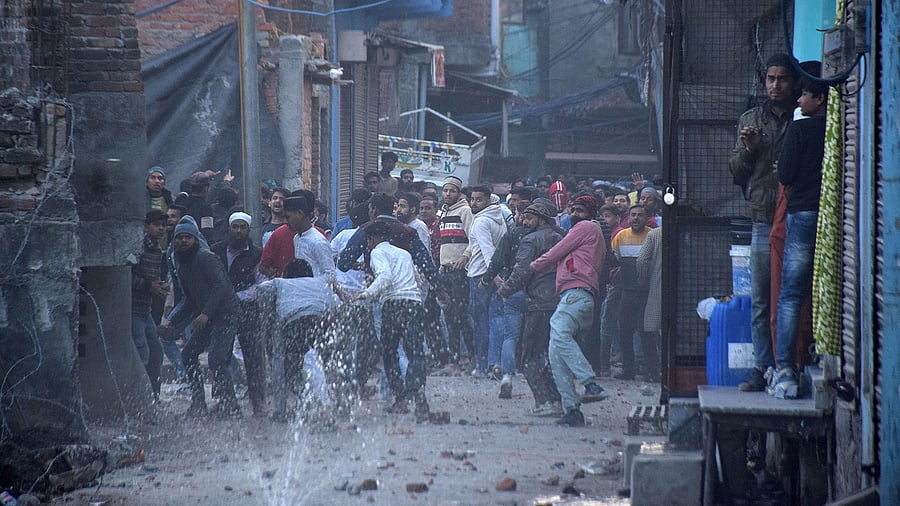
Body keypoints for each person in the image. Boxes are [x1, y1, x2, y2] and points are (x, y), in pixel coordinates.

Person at [729, 53, 800, 392]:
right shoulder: (751, 119)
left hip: (797, 216)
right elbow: (736, 172)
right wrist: (749, 150)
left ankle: (794, 362)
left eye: (782, 79)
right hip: (761, 217)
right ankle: (763, 366)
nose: (775, 85)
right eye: (770, 79)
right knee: (761, 296)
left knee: (793, 293)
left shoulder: (803, 115)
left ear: (793, 81)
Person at [770, 71, 827, 399]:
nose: (799, 100)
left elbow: (787, 174)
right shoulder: (839, 130)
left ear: (818, 99)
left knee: (791, 293)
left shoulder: (800, 129)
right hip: (832, 217)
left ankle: (785, 368)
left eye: (804, 94)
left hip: (802, 214)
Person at [530, 195, 608, 427]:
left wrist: (532, 266)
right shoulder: (590, 234)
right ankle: (572, 410)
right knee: (556, 354)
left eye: (581, 210)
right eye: (572, 209)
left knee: (559, 331)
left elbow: (555, 252)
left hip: (577, 293)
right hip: (576, 296)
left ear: (591, 213)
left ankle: (590, 382)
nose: (575, 213)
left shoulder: (586, 227)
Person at [162, 216, 242, 418]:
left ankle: (229, 405)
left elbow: (221, 286)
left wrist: (205, 314)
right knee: (188, 354)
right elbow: (189, 299)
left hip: (225, 313)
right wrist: (171, 321)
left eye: (187, 237)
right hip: (206, 315)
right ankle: (198, 402)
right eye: (179, 238)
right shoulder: (182, 264)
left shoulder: (205, 257)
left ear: (195, 239)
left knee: (216, 358)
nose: (183, 241)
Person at [354, 220, 430, 421]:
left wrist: (366, 293)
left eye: (368, 240)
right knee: (415, 352)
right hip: (412, 303)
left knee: (389, 353)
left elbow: (385, 277)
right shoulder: (404, 253)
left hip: (393, 305)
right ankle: (418, 391)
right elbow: (418, 278)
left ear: (372, 238)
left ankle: (401, 397)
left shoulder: (377, 253)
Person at [258, 259, 340, 421]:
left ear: (287, 275)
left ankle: (282, 411)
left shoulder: (279, 283)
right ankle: (329, 405)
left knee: (286, 367)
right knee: (322, 365)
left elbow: (262, 289)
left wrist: (268, 316)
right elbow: (334, 303)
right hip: (324, 321)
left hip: (295, 322)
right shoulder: (321, 280)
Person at [495, 198, 559, 405]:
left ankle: (545, 402)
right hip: (558, 299)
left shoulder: (530, 240)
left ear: (541, 219)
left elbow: (521, 271)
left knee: (530, 356)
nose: (524, 222)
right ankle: (557, 400)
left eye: (529, 218)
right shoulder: (562, 237)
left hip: (538, 301)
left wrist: (504, 290)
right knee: (548, 353)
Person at [210, 212, 267, 416]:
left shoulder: (257, 254)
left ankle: (258, 402)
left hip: (248, 311)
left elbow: (261, 284)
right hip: (222, 313)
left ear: (248, 229)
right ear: (229, 228)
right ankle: (226, 400)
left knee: (253, 357)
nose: (239, 231)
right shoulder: (216, 251)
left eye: (243, 227)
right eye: (235, 227)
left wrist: (236, 297)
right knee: (220, 356)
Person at [611, 205, 658, 380]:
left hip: (647, 292)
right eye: (633, 215)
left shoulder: (652, 236)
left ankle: (652, 371)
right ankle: (628, 370)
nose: (636, 218)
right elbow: (614, 260)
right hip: (627, 291)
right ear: (628, 217)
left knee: (647, 332)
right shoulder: (620, 237)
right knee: (624, 330)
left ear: (647, 218)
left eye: (640, 215)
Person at [466, 185, 508, 376]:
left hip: (481, 276)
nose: (474, 203)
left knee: (481, 322)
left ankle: (482, 366)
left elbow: (487, 250)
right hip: (498, 273)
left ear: (488, 200)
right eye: (472, 199)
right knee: (497, 319)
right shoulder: (499, 218)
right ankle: (495, 363)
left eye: (478, 199)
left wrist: (493, 276)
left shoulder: (482, 221)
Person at [437, 175, 475, 367]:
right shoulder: (443, 212)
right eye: (445, 190)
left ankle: (469, 356)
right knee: (449, 315)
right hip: (446, 271)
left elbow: (473, 239)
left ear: (458, 193)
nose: (448, 194)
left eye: (452, 191)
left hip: (460, 272)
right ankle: (456, 359)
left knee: (460, 316)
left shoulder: (465, 211)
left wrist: (465, 256)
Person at [131, 209, 168, 398]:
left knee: (156, 353)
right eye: (156, 225)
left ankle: (153, 397)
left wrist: (159, 286)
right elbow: (126, 278)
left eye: (163, 225)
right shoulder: (138, 247)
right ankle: (138, 397)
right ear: (146, 226)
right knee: (141, 353)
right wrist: (149, 286)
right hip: (133, 309)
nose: (161, 228)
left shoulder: (157, 250)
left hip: (146, 310)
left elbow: (152, 279)